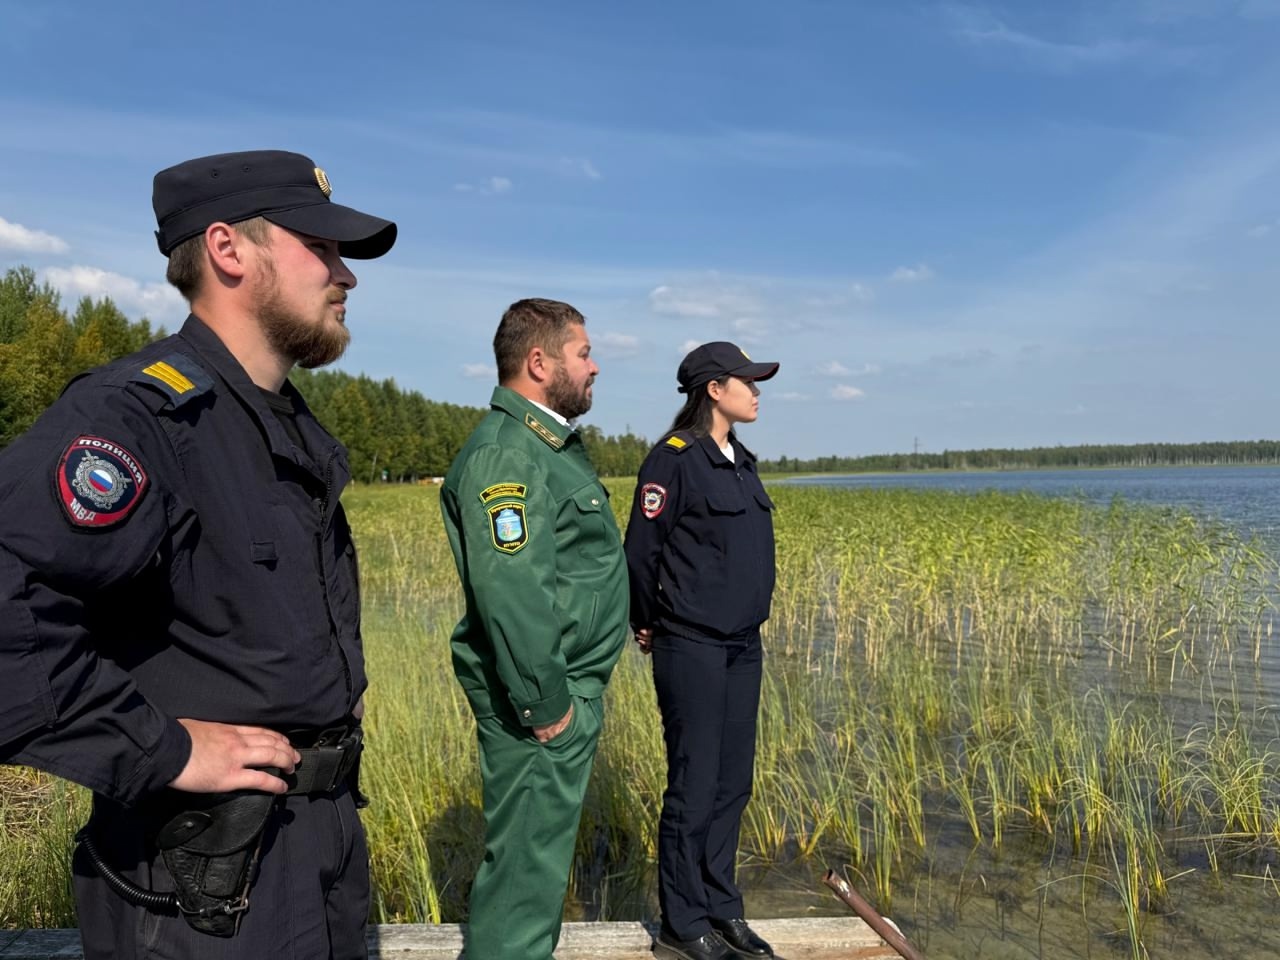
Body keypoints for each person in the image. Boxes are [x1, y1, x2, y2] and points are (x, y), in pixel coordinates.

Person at [0, 150, 396, 959]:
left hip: (314, 853)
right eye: (319, 246)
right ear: (227, 250)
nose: (344, 275)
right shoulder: (138, 420)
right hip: (201, 886)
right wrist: (165, 748)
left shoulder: (282, 427)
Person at [439, 298, 629, 960]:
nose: (594, 366)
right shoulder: (508, 454)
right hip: (541, 706)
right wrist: (550, 709)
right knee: (522, 891)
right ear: (539, 361)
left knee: (536, 876)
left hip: (557, 696)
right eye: (583, 353)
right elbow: (510, 592)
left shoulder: (544, 446)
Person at [624, 341, 781, 960]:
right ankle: (681, 923)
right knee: (694, 782)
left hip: (744, 646)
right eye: (749, 381)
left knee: (732, 783)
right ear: (714, 388)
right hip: (689, 644)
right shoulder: (674, 459)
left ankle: (723, 908)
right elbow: (640, 552)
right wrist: (647, 620)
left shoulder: (740, 459)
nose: (758, 391)